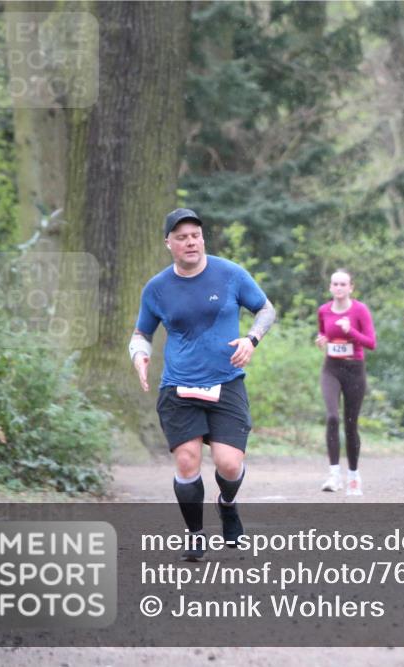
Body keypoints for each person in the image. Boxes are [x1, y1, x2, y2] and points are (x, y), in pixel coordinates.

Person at [129, 208, 275, 561]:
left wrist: (251, 339)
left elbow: (266, 309)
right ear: (169, 244)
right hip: (178, 387)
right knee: (187, 460)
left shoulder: (230, 274)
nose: (190, 242)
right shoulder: (157, 288)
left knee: (229, 464)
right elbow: (141, 333)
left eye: (195, 235)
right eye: (182, 237)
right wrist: (139, 355)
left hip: (226, 383)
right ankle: (195, 534)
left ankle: (227, 504)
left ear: (203, 238)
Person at [314, 269, 376, 496]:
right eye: (335, 284)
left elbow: (371, 343)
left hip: (354, 370)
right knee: (332, 417)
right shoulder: (323, 310)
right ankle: (334, 475)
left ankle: (353, 476)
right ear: (330, 287)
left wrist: (351, 332)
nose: (339, 288)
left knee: (351, 424)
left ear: (351, 287)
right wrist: (322, 339)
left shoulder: (360, 310)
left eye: (343, 284)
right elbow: (324, 333)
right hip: (331, 369)